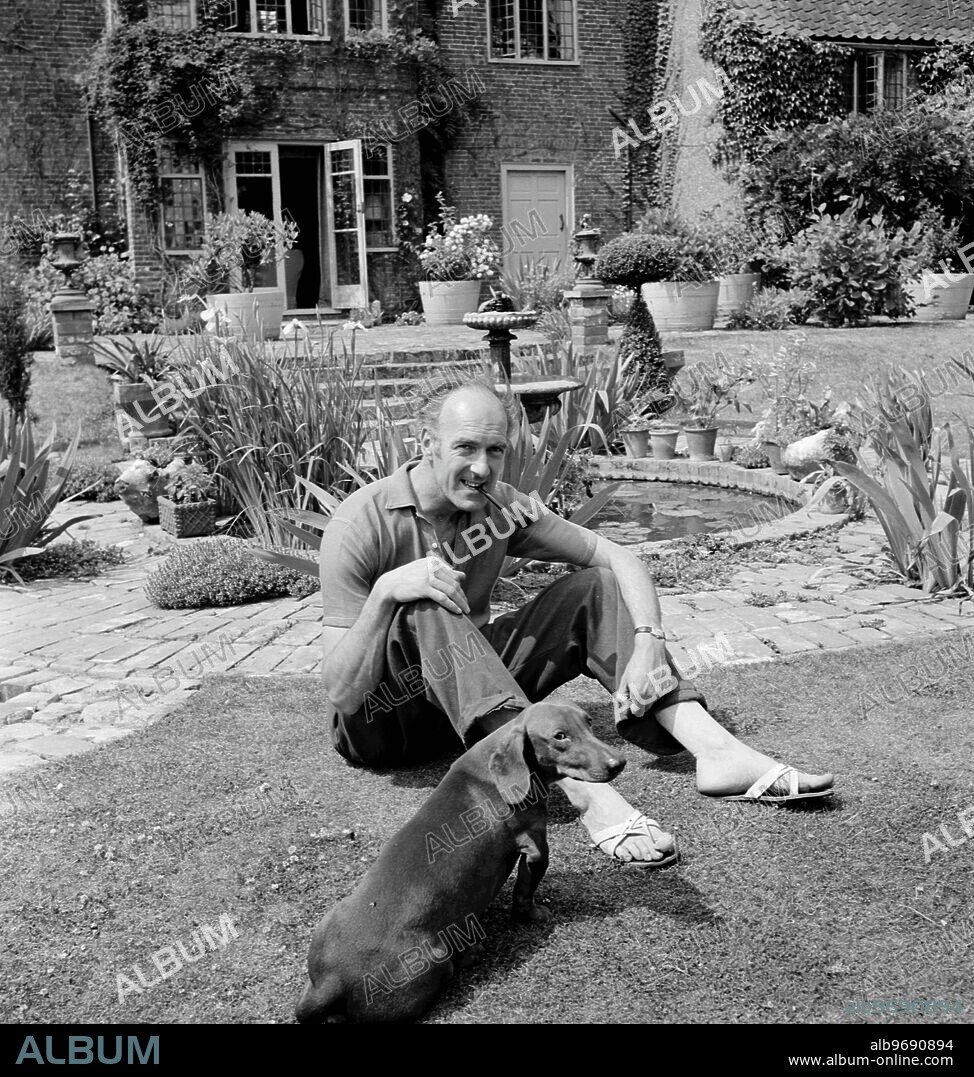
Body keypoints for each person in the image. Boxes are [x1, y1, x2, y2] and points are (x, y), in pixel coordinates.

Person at [318, 378, 834, 866]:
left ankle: (718, 752)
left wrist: (649, 641)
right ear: (427, 444)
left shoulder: (501, 509)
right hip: (387, 723)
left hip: (468, 703)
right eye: (465, 448)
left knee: (596, 585)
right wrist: (386, 594)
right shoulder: (360, 522)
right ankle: (591, 797)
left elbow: (620, 559)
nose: (482, 468)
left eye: (495, 451)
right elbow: (342, 695)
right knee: (427, 602)